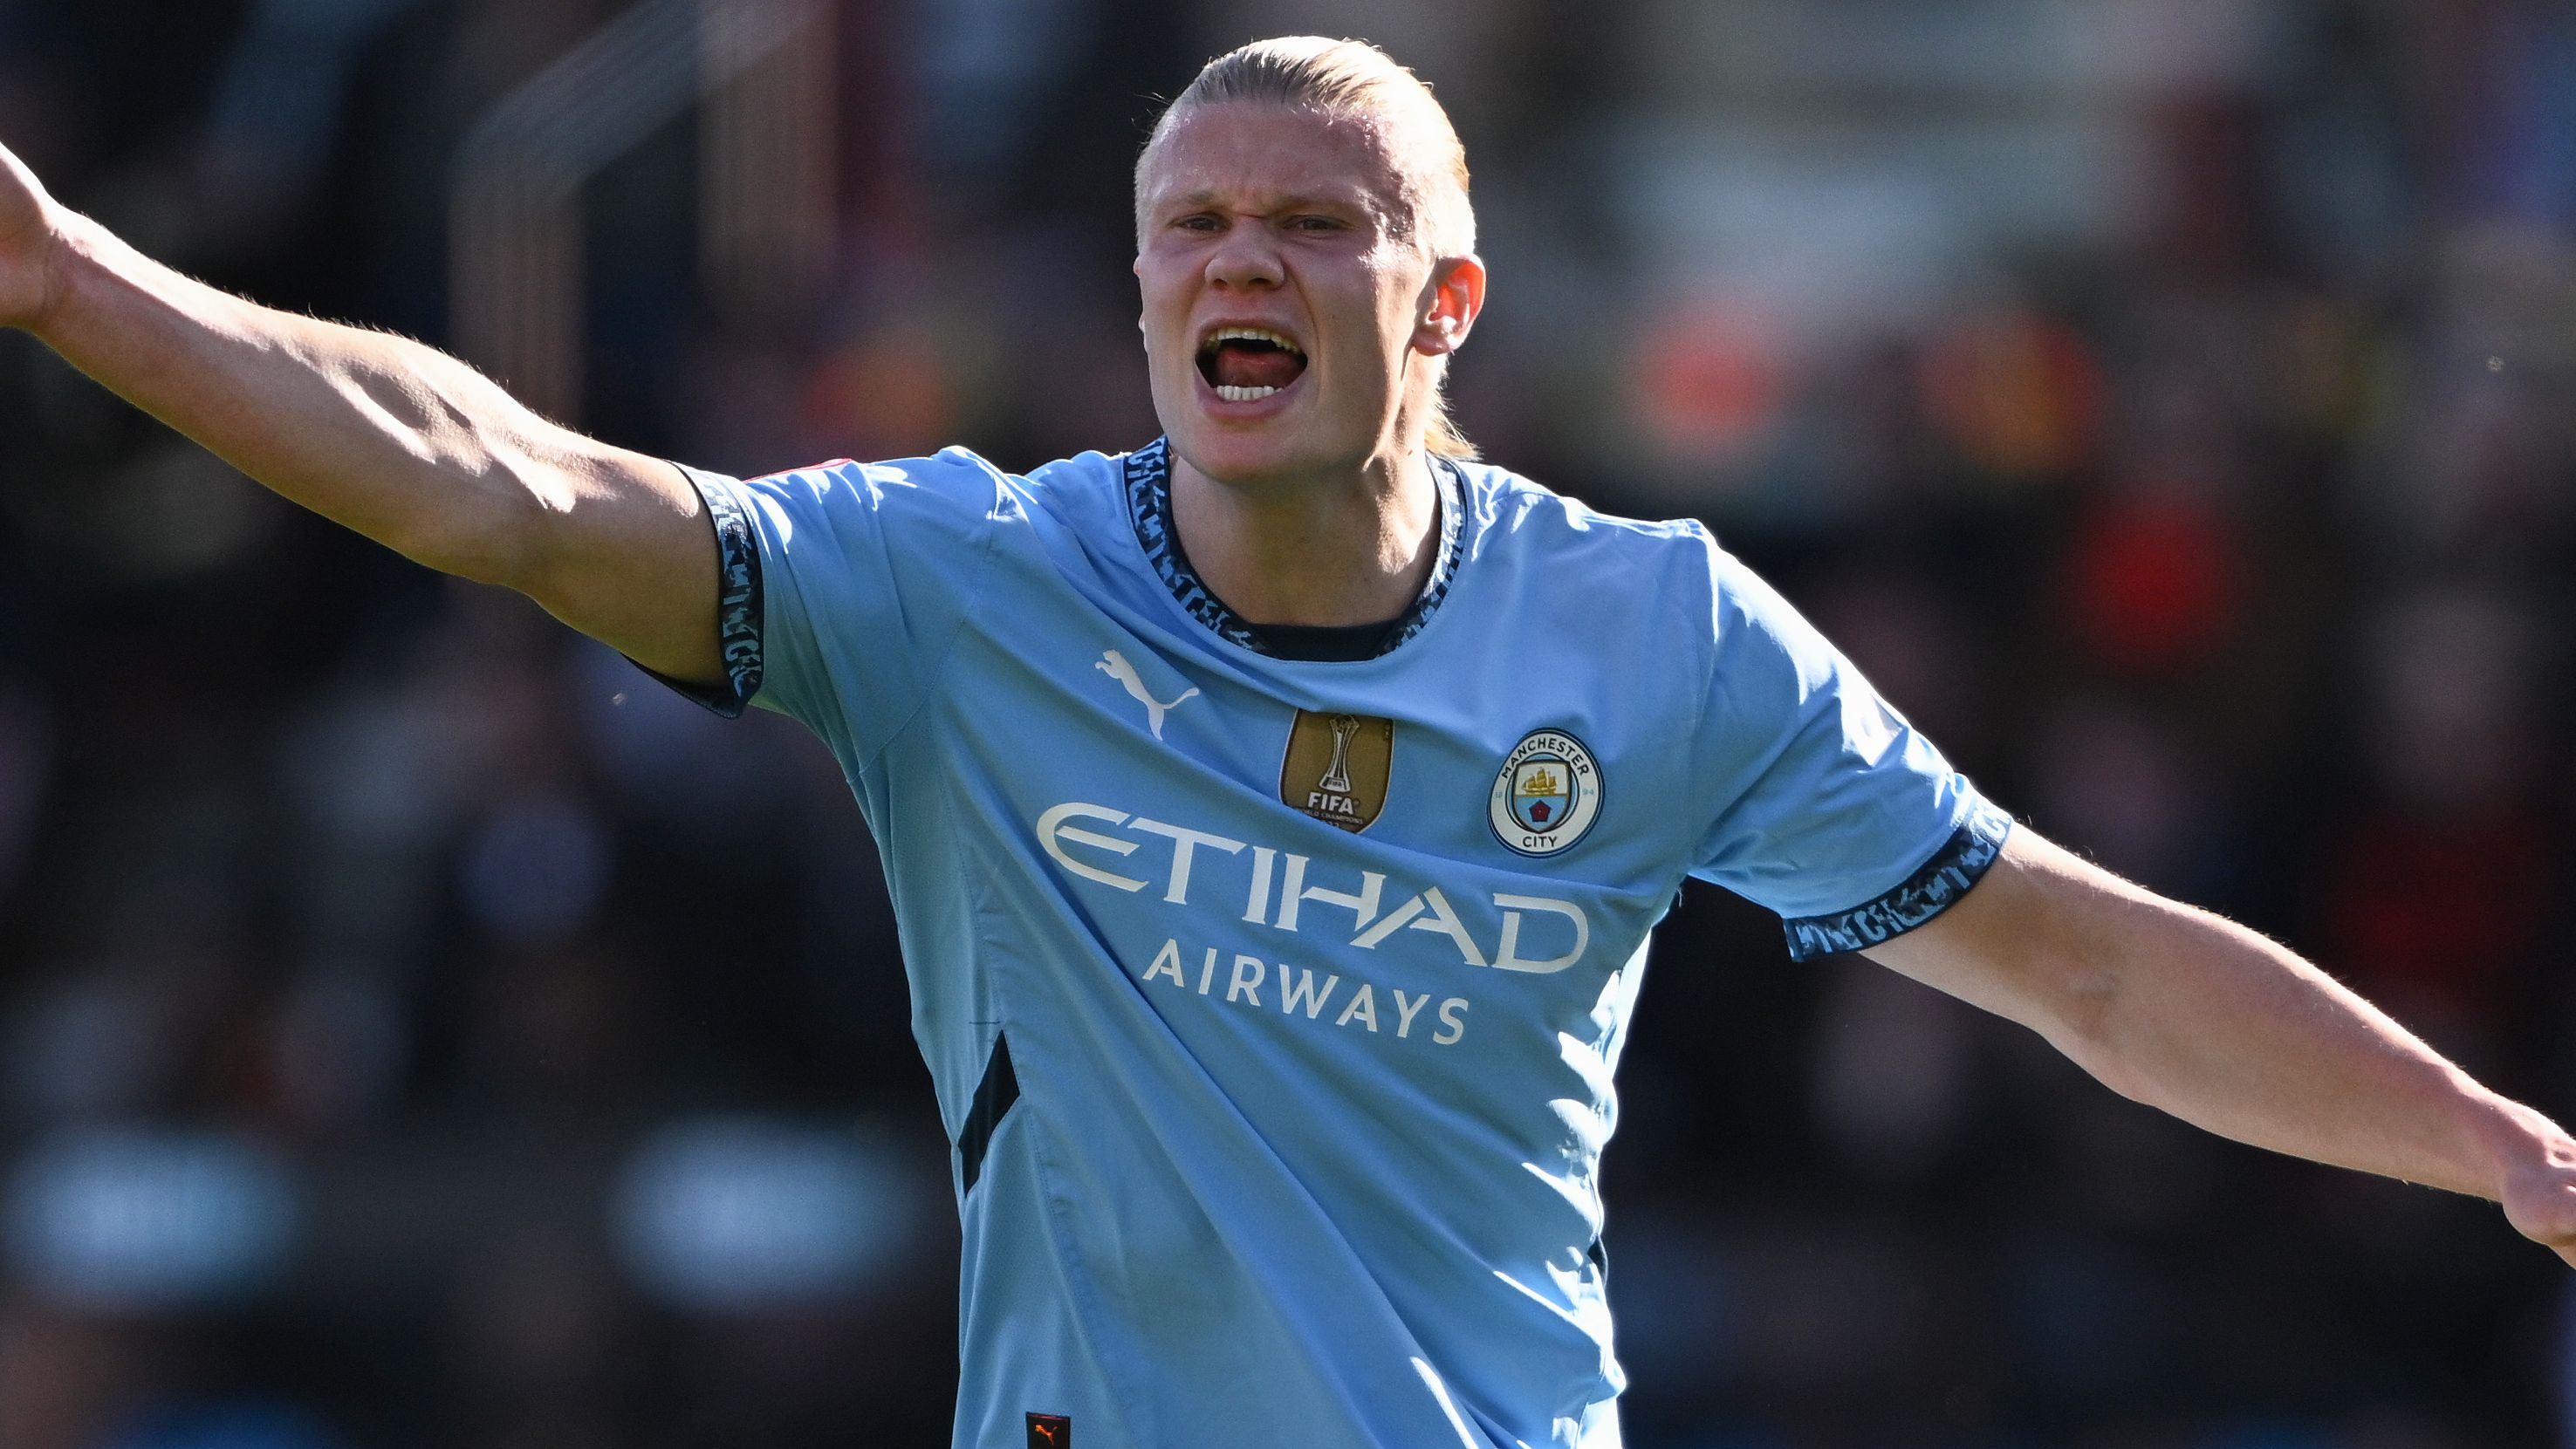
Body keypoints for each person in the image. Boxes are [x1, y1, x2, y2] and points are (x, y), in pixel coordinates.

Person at [2, 32, 2569, 1449]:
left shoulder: (1655, 637)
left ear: (1442, 303)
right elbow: (512, 490)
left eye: (1311, 224)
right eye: (1192, 230)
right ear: (1138, 293)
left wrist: (2493, 1144)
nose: (1241, 262)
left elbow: (2087, 971)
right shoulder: (953, 593)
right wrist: (69, 279)